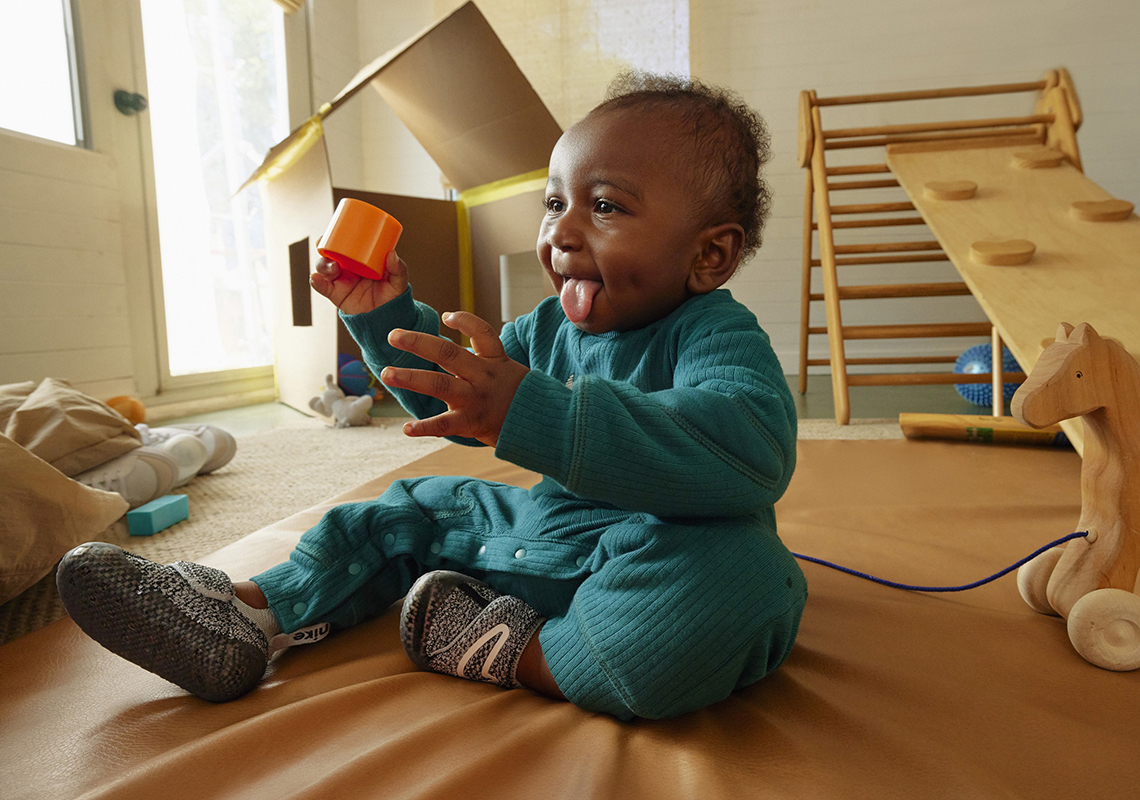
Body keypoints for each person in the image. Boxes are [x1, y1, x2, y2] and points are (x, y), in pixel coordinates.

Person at [56, 71, 806, 720]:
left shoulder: (713, 333)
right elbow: (458, 394)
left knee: (746, 577)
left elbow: (751, 445)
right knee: (408, 507)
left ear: (710, 254)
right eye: (554, 204)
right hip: (537, 533)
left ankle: (514, 650)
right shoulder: (547, 326)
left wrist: (535, 412)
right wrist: (384, 317)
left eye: (605, 207)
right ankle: (246, 615)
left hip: (651, 555)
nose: (563, 233)